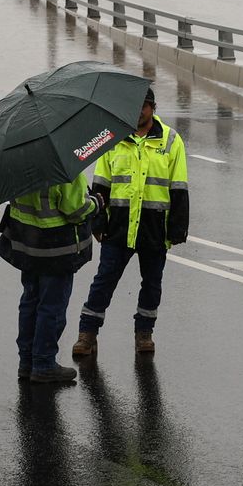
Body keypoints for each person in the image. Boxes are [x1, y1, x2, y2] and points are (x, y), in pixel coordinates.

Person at [72, 89, 189, 357]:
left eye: (143, 106)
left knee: (152, 284)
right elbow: (101, 185)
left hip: (154, 227)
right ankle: (87, 334)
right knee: (104, 281)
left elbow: (179, 187)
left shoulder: (171, 140)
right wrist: (98, 223)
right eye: (134, 106)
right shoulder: (113, 139)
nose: (138, 112)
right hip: (119, 226)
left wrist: (177, 229)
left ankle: (144, 334)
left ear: (153, 107)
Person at [0, 174, 98, 384]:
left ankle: (26, 362)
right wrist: (96, 203)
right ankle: (44, 364)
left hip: (27, 245)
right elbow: (76, 210)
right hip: (56, 249)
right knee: (52, 308)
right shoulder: (63, 170)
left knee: (29, 302)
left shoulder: (17, 165)